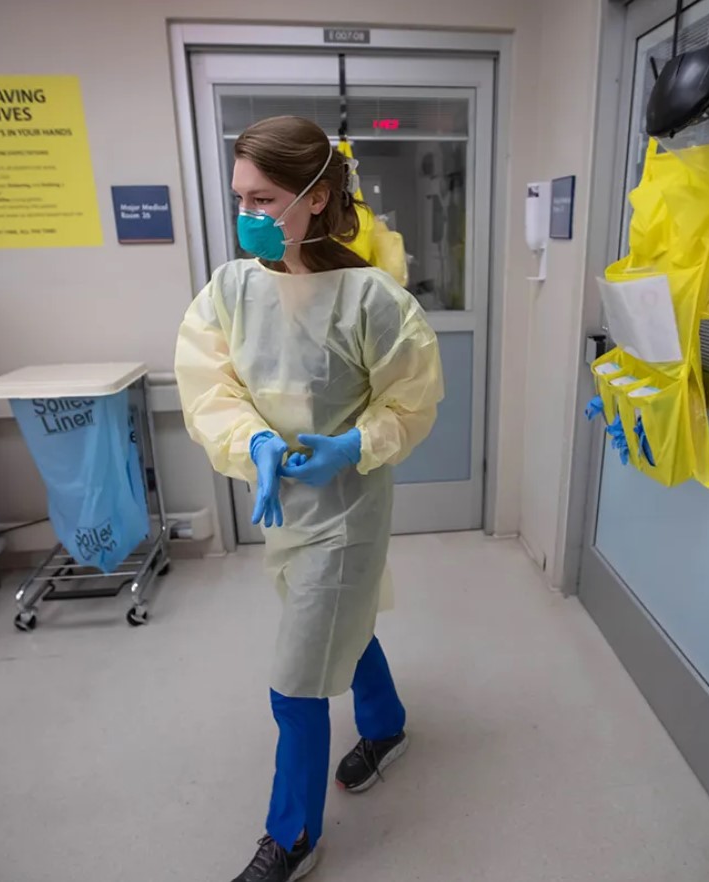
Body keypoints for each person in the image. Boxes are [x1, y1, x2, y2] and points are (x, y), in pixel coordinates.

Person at [174, 115, 444, 882]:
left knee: (296, 682)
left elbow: (412, 400)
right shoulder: (231, 290)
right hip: (285, 511)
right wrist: (255, 443)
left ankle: (291, 837)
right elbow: (210, 385)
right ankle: (387, 727)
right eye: (240, 198)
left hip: (348, 512)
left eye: (263, 199)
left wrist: (353, 445)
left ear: (316, 198)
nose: (247, 214)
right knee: (340, 623)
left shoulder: (370, 299)